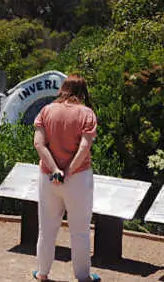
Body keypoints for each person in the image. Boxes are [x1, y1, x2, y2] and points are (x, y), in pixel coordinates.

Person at [32, 74, 101, 282]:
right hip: (78, 178)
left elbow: (39, 144)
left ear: (63, 88)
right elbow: (84, 146)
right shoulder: (87, 114)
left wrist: (55, 170)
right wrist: (69, 171)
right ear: (82, 92)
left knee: (46, 229)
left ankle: (42, 273)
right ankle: (83, 277)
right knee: (79, 231)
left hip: (48, 178)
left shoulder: (46, 111)